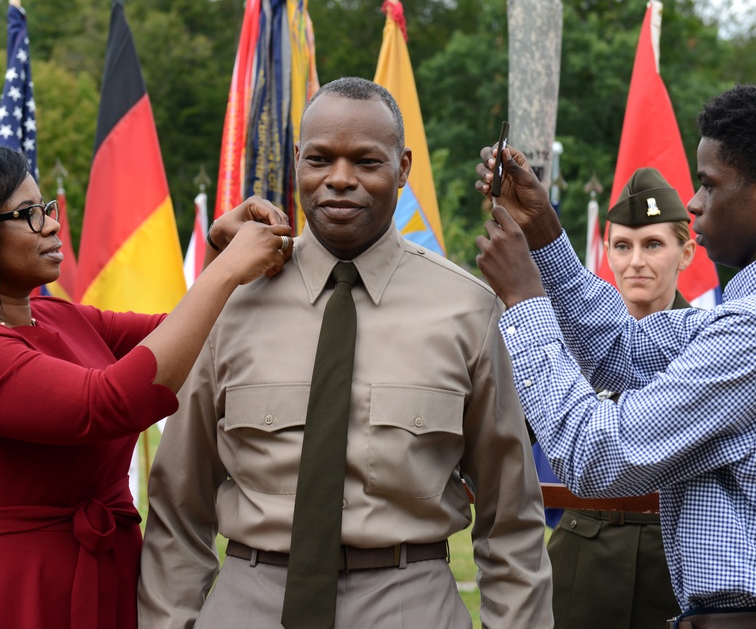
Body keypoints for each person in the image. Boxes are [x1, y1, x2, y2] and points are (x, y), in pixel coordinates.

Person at [138, 76, 552, 629]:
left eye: (366, 162)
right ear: (297, 162)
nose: (339, 180)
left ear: (403, 168)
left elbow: (511, 518)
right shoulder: (228, 301)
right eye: (320, 159)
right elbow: (177, 506)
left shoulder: (468, 311)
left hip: (409, 603)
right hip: (251, 600)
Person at [474, 80, 756, 629]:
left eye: (709, 184)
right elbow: (626, 348)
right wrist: (545, 236)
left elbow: (597, 455)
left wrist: (524, 300)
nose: (694, 202)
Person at [0, 144, 293, 629]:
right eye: (27, 215)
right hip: (10, 596)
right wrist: (230, 268)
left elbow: (187, 339)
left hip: (108, 574)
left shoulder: (57, 316)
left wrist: (214, 246)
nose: (51, 224)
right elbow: (107, 403)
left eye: (46, 208)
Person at [547, 167, 693, 628]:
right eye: (622, 246)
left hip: (675, 554)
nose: (636, 262)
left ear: (685, 253)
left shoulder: (712, 343)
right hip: (584, 548)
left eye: (653, 244)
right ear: (605, 253)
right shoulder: (565, 342)